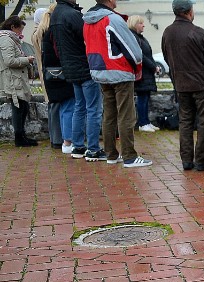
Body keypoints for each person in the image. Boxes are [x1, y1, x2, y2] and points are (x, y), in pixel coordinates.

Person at [83, 0, 152, 168]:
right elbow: (133, 49)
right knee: (126, 115)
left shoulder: (87, 21)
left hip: (99, 70)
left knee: (109, 115)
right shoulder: (113, 19)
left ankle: (111, 154)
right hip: (120, 71)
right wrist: (137, 67)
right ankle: (129, 156)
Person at [162, 0, 204, 171]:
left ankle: (187, 160)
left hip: (181, 84)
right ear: (189, 11)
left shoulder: (168, 32)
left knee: (185, 121)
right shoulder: (198, 32)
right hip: (200, 84)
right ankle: (201, 159)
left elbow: (167, 58)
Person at [51, 0, 103, 160]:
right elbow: (88, 35)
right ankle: (93, 149)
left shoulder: (56, 14)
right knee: (93, 109)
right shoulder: (72, 14)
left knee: (79, 107)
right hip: (84, 66)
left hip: (71, 68)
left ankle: (78, 147)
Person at [0, 16, 37, 147]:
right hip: (12, 79)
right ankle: (19, 138)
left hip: (16, 78)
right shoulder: (6, 39)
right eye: (20, 30)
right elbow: (9, 61)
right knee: (18, 107)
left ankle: (22, 136)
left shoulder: (11, 39)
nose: (21, 33)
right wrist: (27, 60)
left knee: (23, 106)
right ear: (12, 27)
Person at [31, 7, 65, 150]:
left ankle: (54, 137)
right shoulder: (46, 32)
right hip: (53, 71)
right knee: (56, 104)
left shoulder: (37, 33)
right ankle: (58, 138)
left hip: (45, 72)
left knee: (52, 105)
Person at [129, 15, 160, 133]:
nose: (143, 25)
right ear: (135, 24)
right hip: (142, 73)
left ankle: (146, 121)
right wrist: (153, 66)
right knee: (142, 98)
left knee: (146, 97)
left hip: (147, 73)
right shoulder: (134, 38)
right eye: (141, 23)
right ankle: (142, 122)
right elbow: (141, 55)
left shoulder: (140, 38)